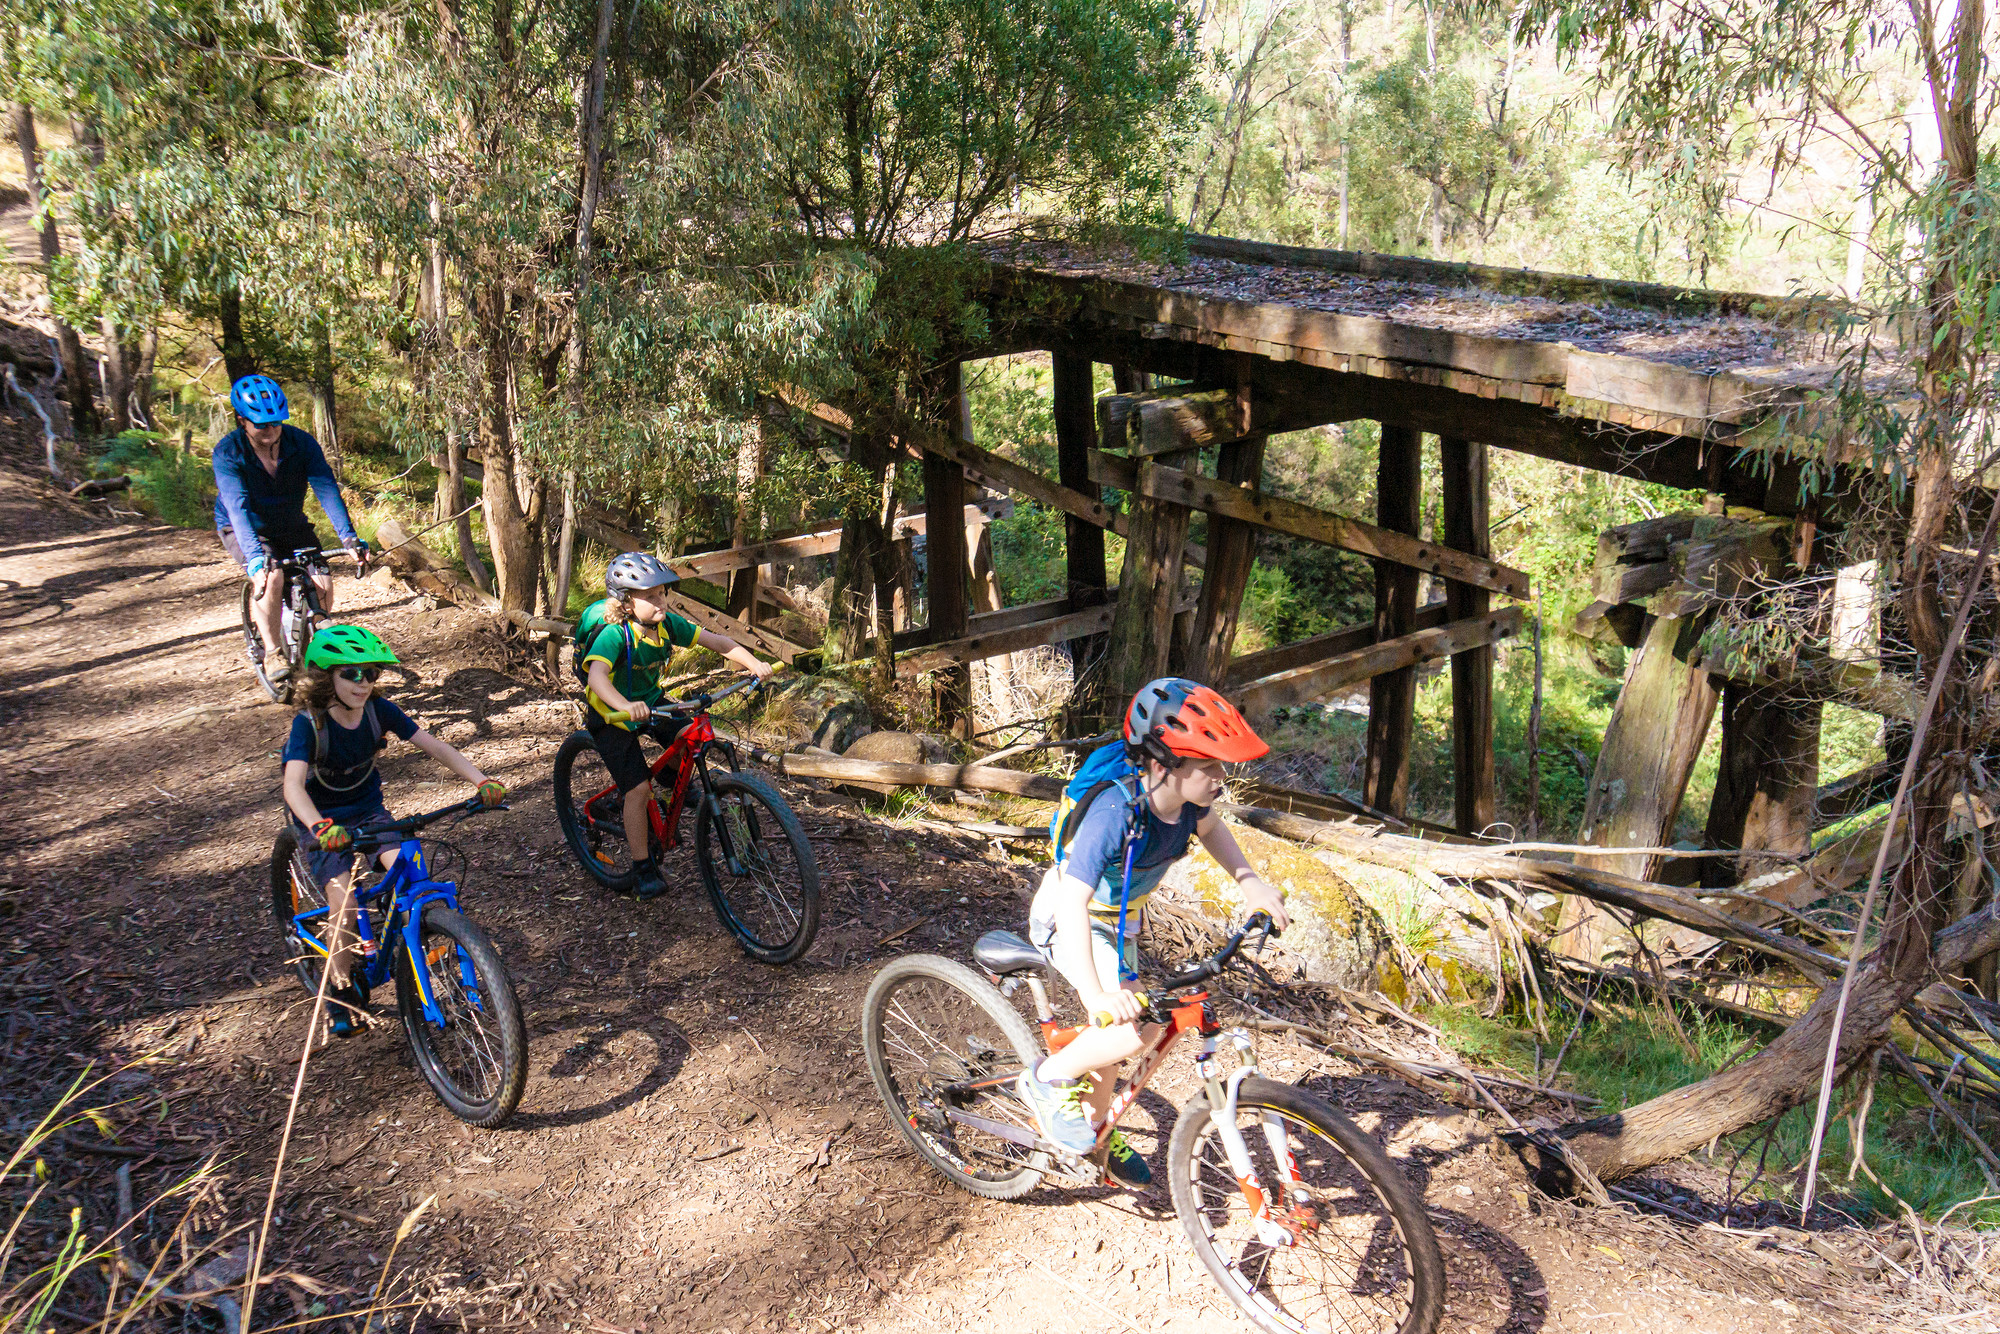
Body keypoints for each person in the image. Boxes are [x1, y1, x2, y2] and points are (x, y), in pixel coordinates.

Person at [1017, 678, 1291, 1190]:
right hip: (1070, 920)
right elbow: (1072, 902)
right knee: (1130, 1029)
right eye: (1209, 765)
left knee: (1122, 1034)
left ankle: (1096, 1127)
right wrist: (1096, 995)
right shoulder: (1115, 813)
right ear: (1163, 764)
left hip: (1118, 924)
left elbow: (1212, 829)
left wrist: (1250, 882)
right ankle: (1045, 1080)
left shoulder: (1189, 804)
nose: (1221, 777)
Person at [280, 624, 506, 1038]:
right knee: (345, 904)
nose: (363, 683)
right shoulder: (309, 725)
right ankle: (339, 991)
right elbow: (292, 786)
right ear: (325, 677)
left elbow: (436, 746)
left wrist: (481, 780)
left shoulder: (378, 711)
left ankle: (412, 942)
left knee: (412, 872)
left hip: (369, 812)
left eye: (370, 673)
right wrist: (318, 825)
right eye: (351, 673)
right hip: (323, 821)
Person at [580, 552, 776, 900]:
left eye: (662, 593)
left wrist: (752, 662)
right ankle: (642, 866)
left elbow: (718, 641)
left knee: (691, 737)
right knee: (638, 791)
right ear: (626, 602)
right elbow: (597, 677)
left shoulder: (667, 625)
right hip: (611, 715)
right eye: (650, 596)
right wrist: (624, 706)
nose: (661, 601)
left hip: (651, 702)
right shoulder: (614, 634)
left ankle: (672, 779)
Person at [213, 374, 369, 681]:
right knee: (270, 577)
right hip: (246, 526)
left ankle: (312, 651)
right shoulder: (228, 453)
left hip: (289, 522)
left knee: (321, 583)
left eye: (276, 423)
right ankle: (272, 653)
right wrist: (255, 559)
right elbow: (237, 507)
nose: (271, 430)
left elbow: (326, 488)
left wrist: (349, 537)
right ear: (242, 421)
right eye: (261, 425)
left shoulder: (301, 443)